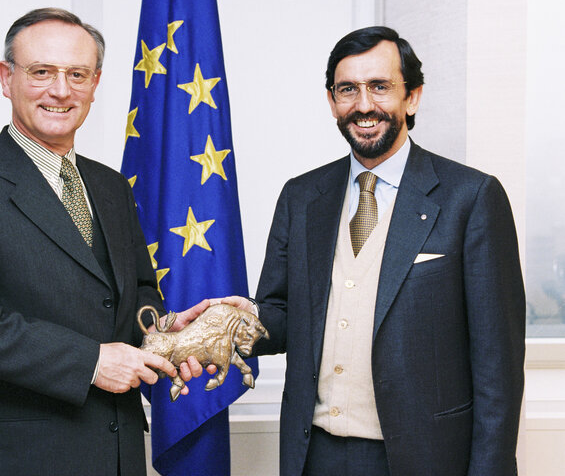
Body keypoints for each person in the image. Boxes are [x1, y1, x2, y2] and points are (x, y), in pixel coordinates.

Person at [219, 26, 526, 475]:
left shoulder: (471, 198)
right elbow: (282, 315)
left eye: (380, 87)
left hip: (423, 459)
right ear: (332, 102)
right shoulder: (301, 197)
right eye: (348, 90)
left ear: (413, 97)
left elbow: (497, 369)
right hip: (313, 455)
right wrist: (232, 321)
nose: (364, 105)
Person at [0, 7, 207, 476]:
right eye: (42, 72)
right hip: (12, 460)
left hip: (117, 454)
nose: (61, 90)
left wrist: (163, 336)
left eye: (77, 74)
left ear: (95, 84)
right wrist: (91, 362)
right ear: (6, 78)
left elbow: (134, 293)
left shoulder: (112, 187)